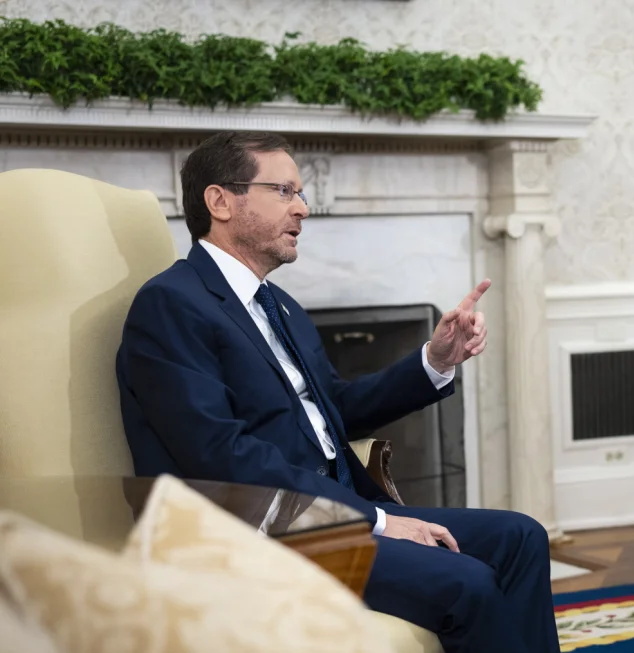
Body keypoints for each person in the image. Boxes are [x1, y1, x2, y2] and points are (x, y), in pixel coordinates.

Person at [115, 131, 559, 653]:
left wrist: (434, 362)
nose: (302, 209)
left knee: (521, 536)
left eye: (300, 193)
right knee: (467, 583)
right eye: (284, 191)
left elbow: (338, 410)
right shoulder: (171, 305)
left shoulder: (279, 307)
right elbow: (219, 457)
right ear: (220, 201)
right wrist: (380, 521)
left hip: (331, 512)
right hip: (261, 530)